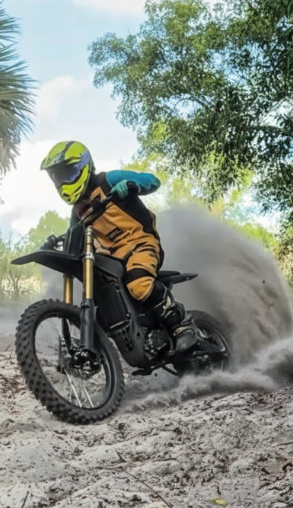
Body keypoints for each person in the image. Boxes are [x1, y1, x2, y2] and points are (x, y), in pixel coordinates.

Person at [40, 140, 199, 357]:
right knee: (103, 307)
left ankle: (182, 324)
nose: (62, 181)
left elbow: (152, 180)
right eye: (57, 177)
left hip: (141, 243)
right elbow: (73, 243)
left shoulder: (108, 180)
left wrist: (132, 185)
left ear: (84, 166)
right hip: (112, 259)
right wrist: (53, 249)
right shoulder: (78, 211)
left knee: (139, 285)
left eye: (68, 173)